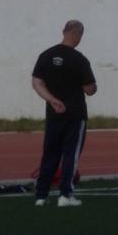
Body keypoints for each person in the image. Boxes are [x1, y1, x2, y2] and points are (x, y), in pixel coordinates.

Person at [32, 20, 97, 207]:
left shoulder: (46, 55)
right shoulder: (79, 59)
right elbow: (89, 89)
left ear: (64, 31)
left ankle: (41, 195)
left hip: (54, 114)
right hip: (75, 114)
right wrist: (91, 86)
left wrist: (51, 99)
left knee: (50, 154)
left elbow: (37, 83)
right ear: (78, 34)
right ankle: (65, 195)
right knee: (70, 155)